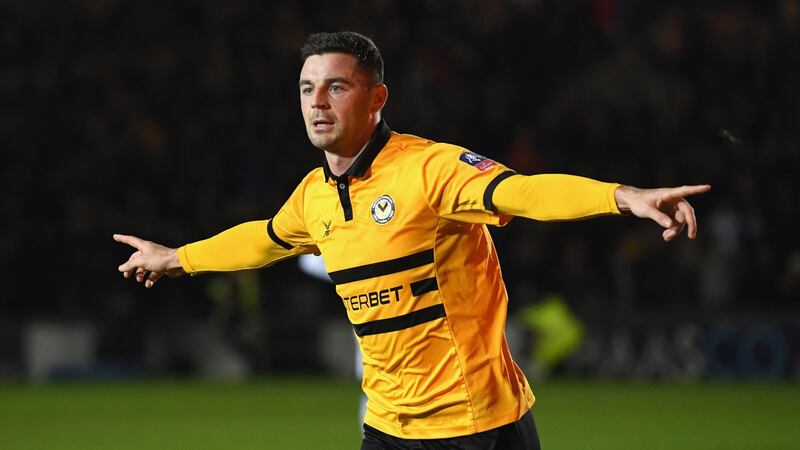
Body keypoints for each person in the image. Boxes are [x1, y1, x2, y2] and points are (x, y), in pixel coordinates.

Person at [114, 31, 710, 449]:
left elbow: (524, 193)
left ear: (377, 100)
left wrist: (623, 196)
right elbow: (264, 239)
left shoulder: (430, 169)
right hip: (389, 429)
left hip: (476, 427)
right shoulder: (313, 195)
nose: (317, 103)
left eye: (336, 88)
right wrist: (178, 259)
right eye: (305, 88)